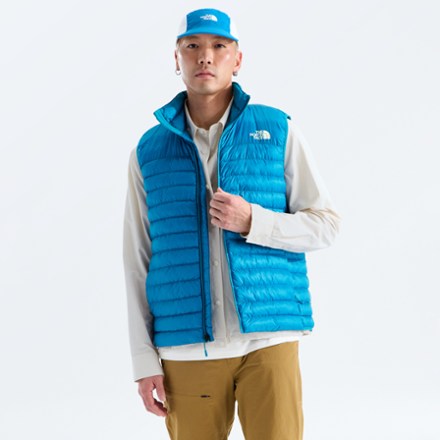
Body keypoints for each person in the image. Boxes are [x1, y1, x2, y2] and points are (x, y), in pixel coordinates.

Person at [123, 8, 340, 440]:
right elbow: (137, 260)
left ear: (237, 59)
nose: (205, 56)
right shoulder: (148, 150)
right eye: (192, 46)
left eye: (219, 46)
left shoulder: (277, 130)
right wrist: (143, 361)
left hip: (268, 342)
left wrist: (254, 221)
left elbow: (325, 225)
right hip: (186, 349)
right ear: (177, 59)